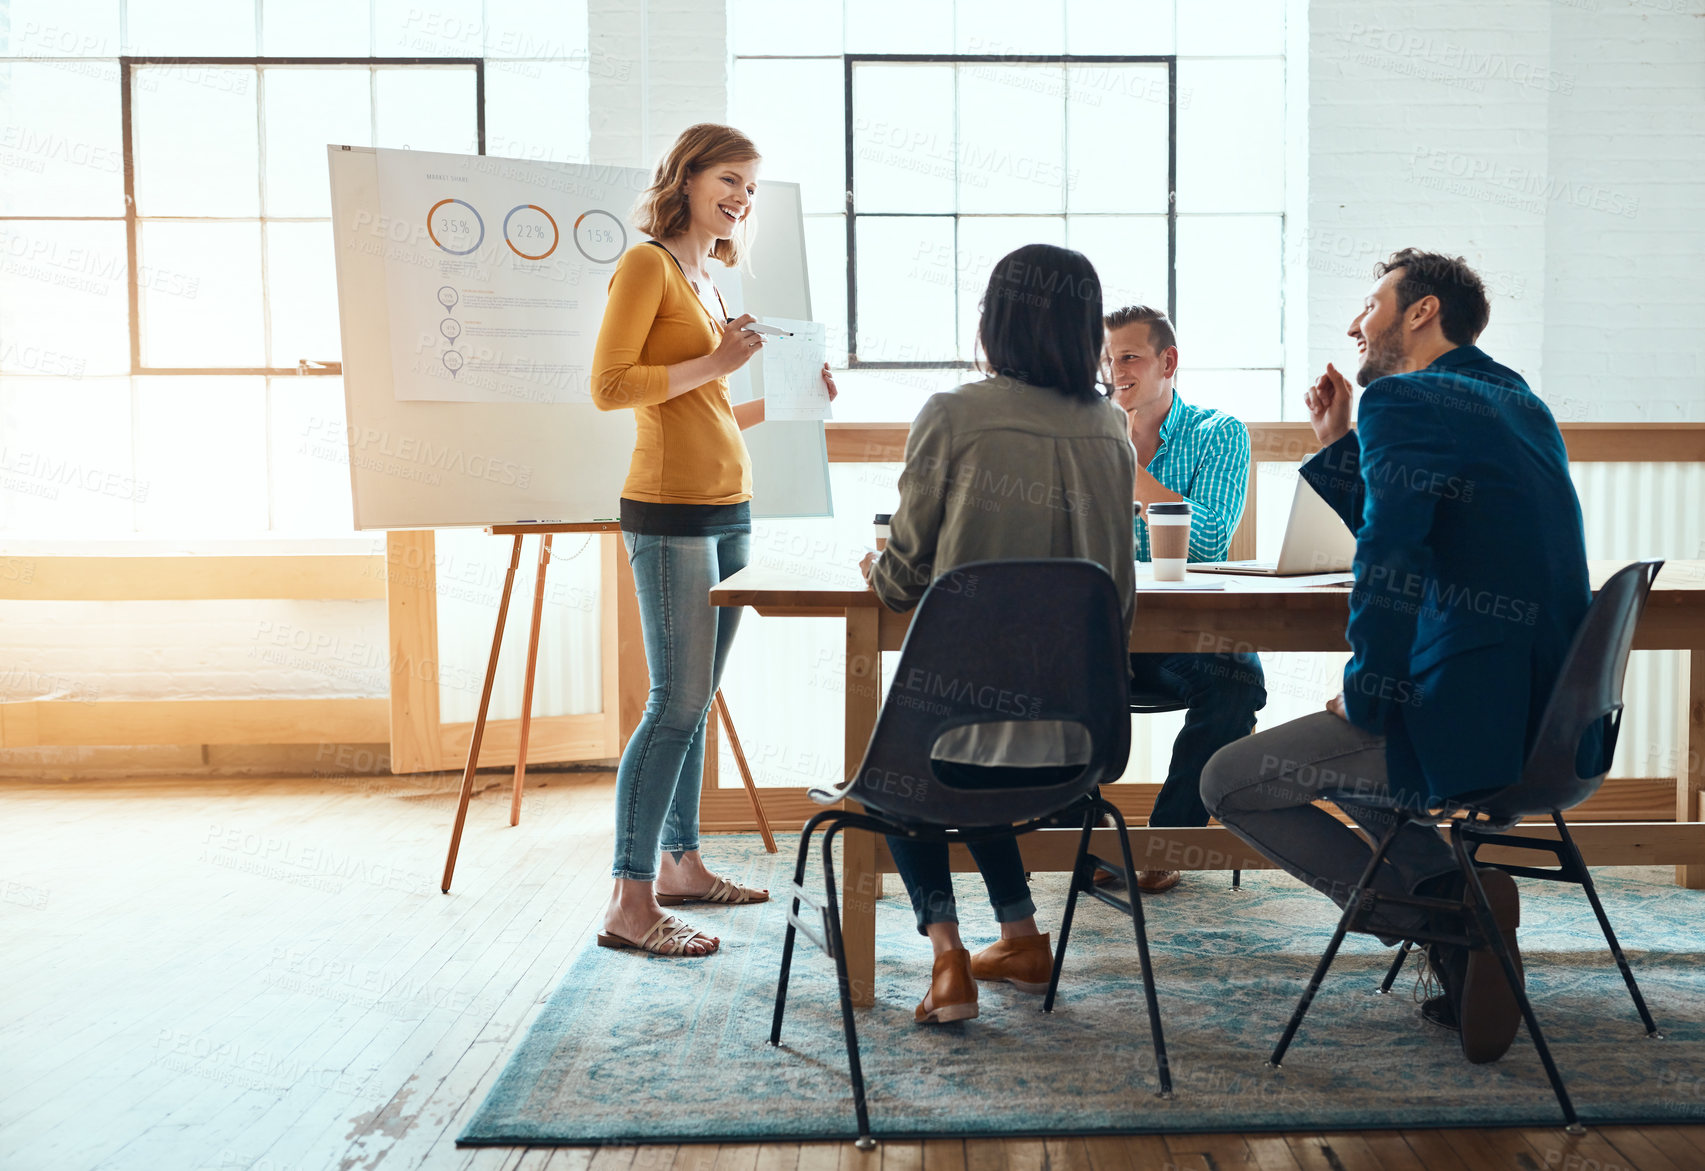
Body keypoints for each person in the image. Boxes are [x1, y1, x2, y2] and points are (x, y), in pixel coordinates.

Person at [1200, 249, 1597, 1064]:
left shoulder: (1404, 396)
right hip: (1550, 726)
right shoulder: (1519, 401)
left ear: (1420, 313)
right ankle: (1459, 928)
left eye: (1371, 303)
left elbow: (1391, 555)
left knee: (1228, 780)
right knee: (1353, 774)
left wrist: (1370, 688)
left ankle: (1448, 917)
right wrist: (1339, 442)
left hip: (1469, 723)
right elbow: (1434, 521)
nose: (1355, 322)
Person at [858, 244, 1137, 1024]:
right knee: (973, 746)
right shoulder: (1111, 426)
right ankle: (1020, 935)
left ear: (992, 321)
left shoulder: (951, 415)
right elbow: (1118, 599)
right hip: (1078, 743)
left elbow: (906, 578)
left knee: (909, 765)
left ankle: (948, 959)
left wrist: (878, 568)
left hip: (956, 740)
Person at [590, 123, 836, 958]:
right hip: (669, 512)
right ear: (687, 179)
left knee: (696, 701)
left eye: (751, 188)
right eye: (729, 180)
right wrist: (721, 363)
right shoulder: (647, 265)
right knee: (675, 702)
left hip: (728, 508)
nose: (740, 198)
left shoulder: (706, 281)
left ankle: (683, 865)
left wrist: (798, 398)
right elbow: (610, 386)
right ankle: (630, 899)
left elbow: (713, 409)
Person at [1103, 305, 1266, 894]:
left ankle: (1167, 843)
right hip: (1103, 629)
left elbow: (1211, 538)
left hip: (1183, 633)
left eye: (1128, 357)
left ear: (1167, 362)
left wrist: (1124, 462)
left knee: (1236, 682)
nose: (1115, 371)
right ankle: (1085, 837)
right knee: (1041, 678)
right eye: (1107, 358)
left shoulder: (1218, 432)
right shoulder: (1080, 432)